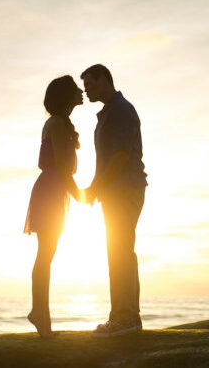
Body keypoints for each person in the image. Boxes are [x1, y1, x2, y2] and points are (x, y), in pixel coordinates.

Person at [80, 64, 148, 337]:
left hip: (124, 189)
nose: (86, 91)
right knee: (118, 252)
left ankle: (125, 318)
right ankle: (123, 316)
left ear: (104, 80)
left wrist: (95, 187)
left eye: (90, 85)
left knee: (120, 252)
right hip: (116, 190)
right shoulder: (110, 112)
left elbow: (120, 157)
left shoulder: (120, 110)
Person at [23, 75, 84, 337]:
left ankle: (43, 317)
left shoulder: (61, 123)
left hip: (55, 189)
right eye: (75, 89)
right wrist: (81, 195)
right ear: (66, 96)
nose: (81, 92)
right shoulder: (57, 123)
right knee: (45, 254)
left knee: (47, 254)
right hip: (51, 189)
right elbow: (61, 164)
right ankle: (39, 314)